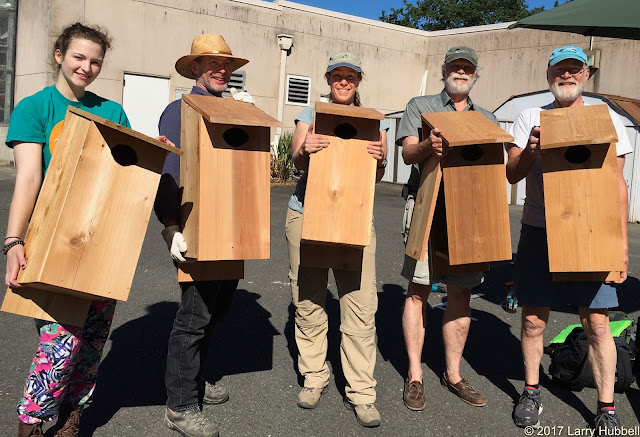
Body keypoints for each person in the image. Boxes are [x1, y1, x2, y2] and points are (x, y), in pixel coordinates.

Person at [3, 23, 130, 437]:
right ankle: (32, 423)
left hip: (102, 242)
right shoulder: (35, 108)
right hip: (52, 240)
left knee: (92, 342)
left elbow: (126, 172)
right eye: (78, 57)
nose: (86, 67)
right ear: (59, 55)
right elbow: (29, 179)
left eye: (95, 61)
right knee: (60, 342)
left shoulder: (112, 112)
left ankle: (73, 415)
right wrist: (13, 240)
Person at [506, 46, 631, 432]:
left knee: (597, 322)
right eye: (559, 70)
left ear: (586, 75)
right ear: (549, 75)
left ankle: (607, 407)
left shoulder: (606, 117)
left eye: (574, 69)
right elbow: (512, 173)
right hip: (539, 230)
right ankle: (531, 391)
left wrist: (621, 247)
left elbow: (618, 184)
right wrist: (530, 152)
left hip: (592, 233)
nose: (567, 76)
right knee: (532, 320)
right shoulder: (530, 116)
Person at [154, 34, 254, 437]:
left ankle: (196, 377)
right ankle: (179, 406)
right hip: (197, 226)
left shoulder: (234, 108)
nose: (221, 70)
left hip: (233, 226)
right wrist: (170, 226)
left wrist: (247, 114)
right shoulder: (179, 109)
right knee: (194, 318)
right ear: (194, 67)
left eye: (226, 64)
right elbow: (168, 169)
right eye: (212, 63)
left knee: (218, 310)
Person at [285, 51, 388, 428]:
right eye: (337, 75)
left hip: (355, 219)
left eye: (351, 76)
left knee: (360, 306)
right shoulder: (310, 114)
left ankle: (361, 392)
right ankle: (314, 376)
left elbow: (376, 176)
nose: (344, 81)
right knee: (309, 300)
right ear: (328, 79)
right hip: (307, 213)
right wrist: (306, 150)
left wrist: (380, 159)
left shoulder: (374, 121)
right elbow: (296, 160)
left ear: (358, 81)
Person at [397, 46, 496, 412]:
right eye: (455, 66)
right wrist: (428, 144)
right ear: (444, 71)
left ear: (475, 74)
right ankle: (415, 375)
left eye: (467, 67)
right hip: (426, 207)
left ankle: (453, 374)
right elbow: (407, 153)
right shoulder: (420, 106)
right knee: (417, 291)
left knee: (461, 293)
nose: (461, 72)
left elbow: (493, 165)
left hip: (468, 213)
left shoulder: (486, 118)